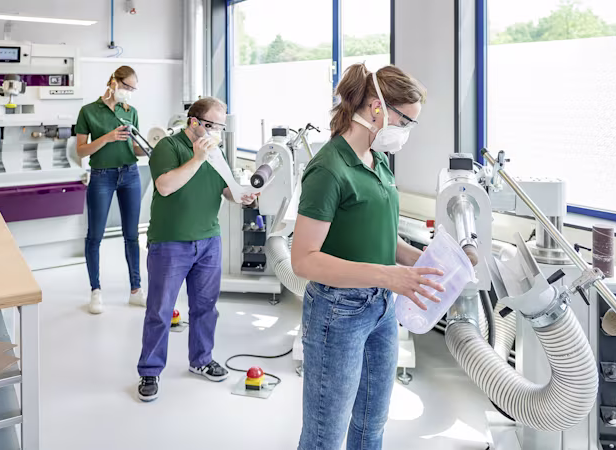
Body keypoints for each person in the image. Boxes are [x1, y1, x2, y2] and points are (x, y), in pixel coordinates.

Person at [291, 63, 445, 450]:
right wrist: (389, 276)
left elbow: (377, 233)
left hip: (380, 308)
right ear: (376, 107)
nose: (406, 130)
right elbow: (304, 260)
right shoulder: (328, 169)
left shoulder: (379, 162)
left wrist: (419, 259)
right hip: (337, 313)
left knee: (371, 425)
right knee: (325, 434)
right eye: (405, 119)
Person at [136, 97, 256, 402]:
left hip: (208, 241)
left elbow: (225, 187)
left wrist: (240, 196)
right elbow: (165, 186)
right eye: (214, 126)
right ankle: (150, 370)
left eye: (222, 127)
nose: (218, 133)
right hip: (170, 242)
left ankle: (201, 359)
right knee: (160, 311)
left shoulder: (215, 153)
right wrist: (198, 158)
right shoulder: (169, 147)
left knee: (205, 307)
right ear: (195, 123)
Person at [75, 66, 147, 315]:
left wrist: (150, 147)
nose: (129, 92)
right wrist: (107, 137)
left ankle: (136, 290)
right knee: (95, 236)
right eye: (127, 87)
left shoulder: (131, 112)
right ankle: (95, 291)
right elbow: (81, 151)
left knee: (132, 236)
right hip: (102, 176)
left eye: (133, 89)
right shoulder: (88, 112)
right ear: (113, 82)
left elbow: (134, 148)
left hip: (130, 175)